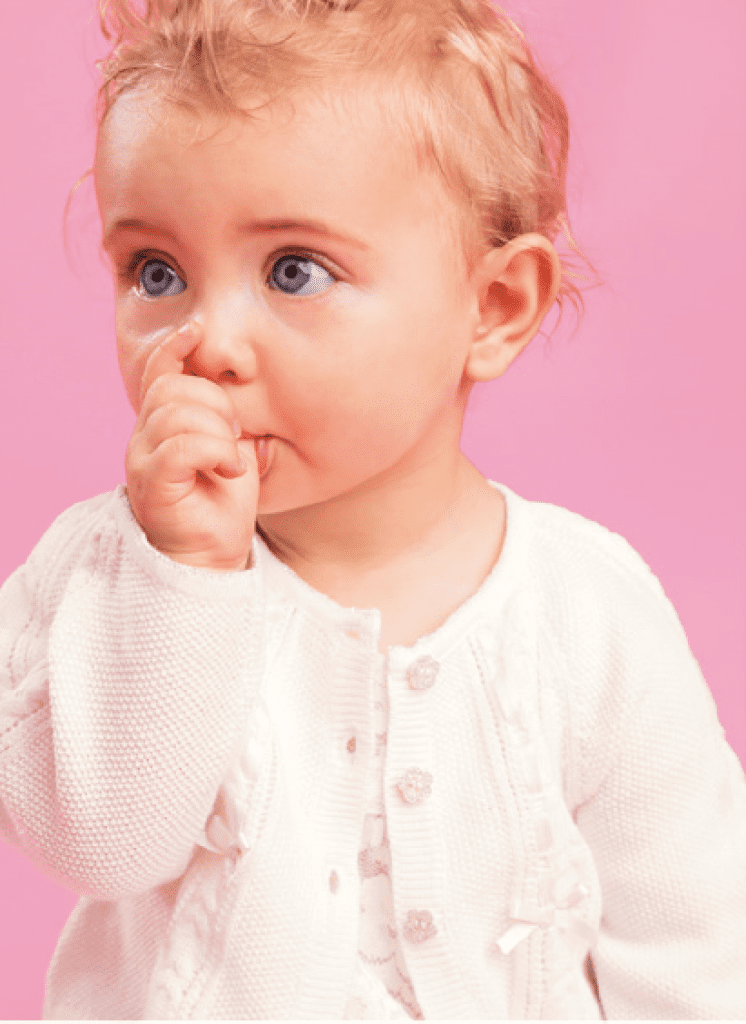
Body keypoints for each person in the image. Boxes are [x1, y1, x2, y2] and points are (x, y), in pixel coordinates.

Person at [1, 0, 745, 1017]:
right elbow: (103, 842)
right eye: (156, 272)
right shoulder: (104, 572)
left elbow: (694, 945)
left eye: (293, 271)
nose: (206, 341)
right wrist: (183, 575)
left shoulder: (589, 611)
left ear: (491, 307)